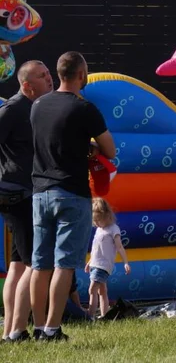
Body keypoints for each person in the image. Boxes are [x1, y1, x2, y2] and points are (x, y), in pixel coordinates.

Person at [29, 52, 115, 342]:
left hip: (40, 192)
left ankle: (39, 326)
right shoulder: (85, 109)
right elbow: (110, 149)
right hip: (71, 193)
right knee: (65, 264)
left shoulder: (38, 105)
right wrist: (91, 147)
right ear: (81, 74)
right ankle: (53, 329)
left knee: (40, 264)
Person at [0, 60, 53, 342]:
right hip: (17, 193)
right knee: (35, 262)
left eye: (48, 73)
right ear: (26, 86)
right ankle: (18, 331)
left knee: (18, 264)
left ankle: (9, 328)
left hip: (25, 191)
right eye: (43, 76)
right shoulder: (12, 109)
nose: (50, 79)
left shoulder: (38, 107)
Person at [85, 197, 130, 318]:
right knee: (102, 291)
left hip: (103, 265)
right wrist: (90, 261)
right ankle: (104, 315)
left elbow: (119, 247)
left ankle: (90, 315)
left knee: (92, 290)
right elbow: (97, 249)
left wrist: (125, 262)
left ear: (106, 215)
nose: (96, 223)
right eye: (95, 221)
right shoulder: (100, 229)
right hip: (96, 263)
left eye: (98, 220)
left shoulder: (113, 229)